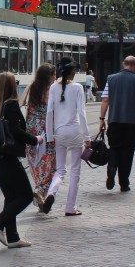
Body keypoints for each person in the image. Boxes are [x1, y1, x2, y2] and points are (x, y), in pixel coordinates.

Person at [0, 72, 43, 249]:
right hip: (6, 159)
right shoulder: (10, 106)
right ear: (12, 86)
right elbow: (16, 131)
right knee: (25, 195)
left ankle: (13, 237)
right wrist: (36, 139)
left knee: (11, 197)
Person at [99, 55, 135, 192]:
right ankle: (124, 183)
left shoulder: (111, 79)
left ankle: (111, 168)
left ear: (124, 64)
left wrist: (101, 119)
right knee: (128, 152)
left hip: (114, 120)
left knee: (114, 148)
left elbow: (105, 100)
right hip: (132, 123)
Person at [45, 58, 90, 217]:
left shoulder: (53, 88)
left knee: (61, 170)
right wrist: (87, 136)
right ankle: (70, 207)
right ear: (72, 72)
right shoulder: (78, 88)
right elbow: (82, 114)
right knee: (75, 170)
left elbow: (49, 112)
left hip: (60, 132)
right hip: (75, 132)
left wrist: (50, 136)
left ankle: (51, 192)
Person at [21, 63, 57, 212]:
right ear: (49, 76)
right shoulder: (52, 89)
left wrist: (29, 87)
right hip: (46, 132)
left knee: (36, 166)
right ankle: (41, 191)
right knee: (51, 166)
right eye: (54, 74)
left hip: (30, 133)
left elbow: (21, 103)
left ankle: (39, 197)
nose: (56, 77)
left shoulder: (32, 87)